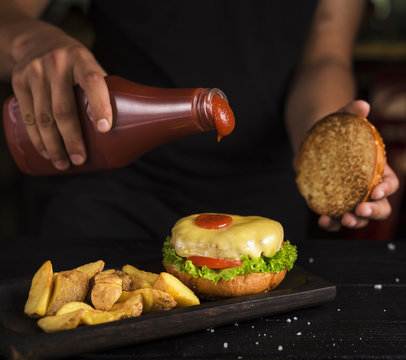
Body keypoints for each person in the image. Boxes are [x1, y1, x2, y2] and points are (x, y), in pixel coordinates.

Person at [0, 0, 399, 241]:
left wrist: (321, 142)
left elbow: (325, 56)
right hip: (112, 184)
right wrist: (29, 40)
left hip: (260, 204)